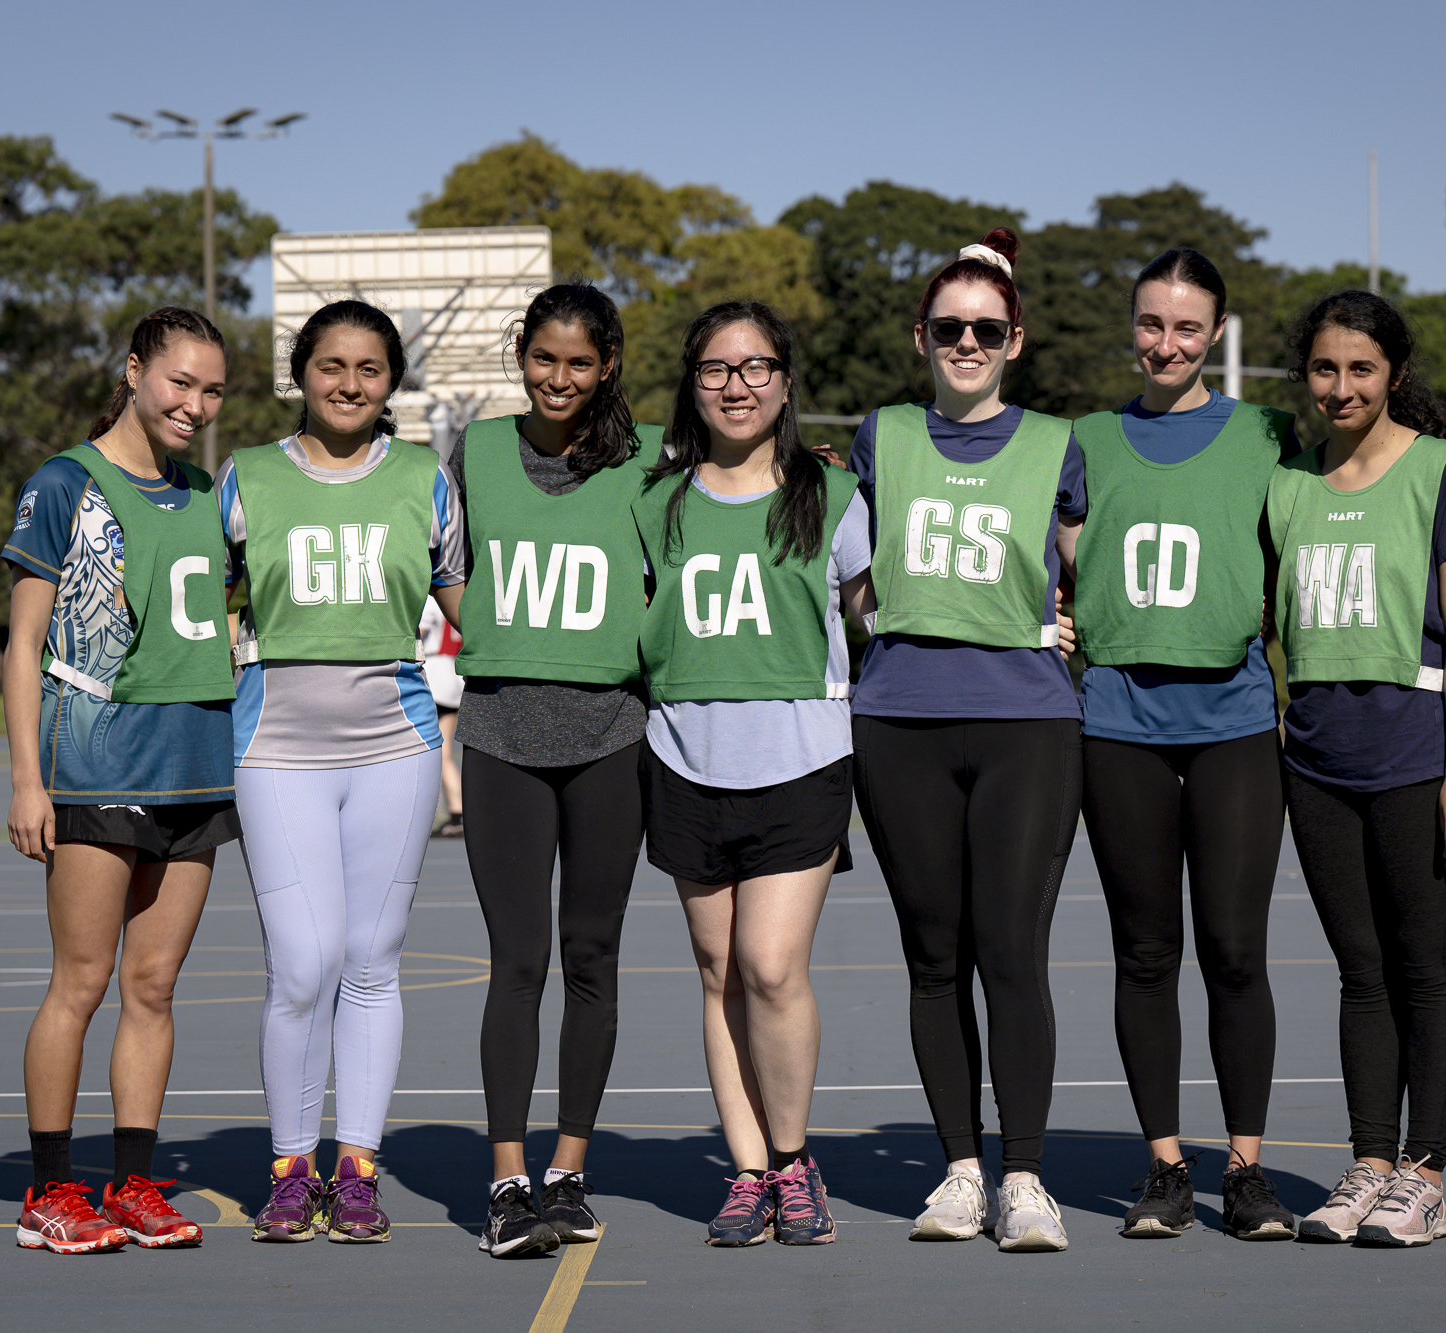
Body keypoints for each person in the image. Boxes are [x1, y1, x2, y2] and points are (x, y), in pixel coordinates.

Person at [850, 229, 1086, 1253]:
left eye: (985, 329)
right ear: (920, 336)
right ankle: (957, 1167)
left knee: (1012, 948)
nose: (965, 342)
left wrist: (1074, 615)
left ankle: (1024, 1174)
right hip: (897, 715)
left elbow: (1099, 567)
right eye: (947, 328)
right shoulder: (879, 434)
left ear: (1015, 339)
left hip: (1025, 721)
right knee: (932, 953)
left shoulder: (1057, 444)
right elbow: (839, 568)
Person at [1068, 249, 1299, 1241]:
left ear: (1215, 334)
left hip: (1234, 723)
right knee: (1144, 951)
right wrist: (1055, 611)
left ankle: (1242, 1169)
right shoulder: (1080, 439)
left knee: (1236, 951)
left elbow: (1323, 528)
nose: (1166, 343)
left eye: (1187, 328)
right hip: (1117, 725)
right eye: (1151, 324)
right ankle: (1164, 1165)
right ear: (1130, 327)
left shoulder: (1265, 432)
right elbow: (1016, 541)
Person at [222, 299, 464, 1244]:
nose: (350, 383)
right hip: (275, 742)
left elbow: (474, 608)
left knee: (371, 962)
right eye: (332, 365)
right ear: (302, 372)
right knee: (301, 965)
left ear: (391, 380)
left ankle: (356, 1166)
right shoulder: (242, 479)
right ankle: (290, 1167)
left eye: (369, 368)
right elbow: (188, 599)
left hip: (396, 742)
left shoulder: (422, 479)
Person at [1, 306, 240, 1253]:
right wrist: (28, 779)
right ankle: (49, 1191)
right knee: (83, 980)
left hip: (196, 768)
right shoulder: (68, 483)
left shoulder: (202, 489)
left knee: (154, 983)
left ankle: (135, 1179)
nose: (195, 402)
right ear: (134, 369)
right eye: (180, 381)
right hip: (97, 761)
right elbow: (23, 645)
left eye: (213, 388)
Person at [635, 301, 871, 1247]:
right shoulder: (655, 501)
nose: (738, 385)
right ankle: (746, 1171)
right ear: (692, 384)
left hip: (801, 759)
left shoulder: (835, 494)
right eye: (716, 369)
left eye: (756, 366)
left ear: (785, 379)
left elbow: (881, 612)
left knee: (772, 966)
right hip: (685, 756)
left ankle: (793, 1158)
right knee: (718, 969)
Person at [1269, 290, 1446, 1248]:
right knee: (1361, 973)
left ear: (1394, 374)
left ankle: (1426, 1174)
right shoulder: (1286, 483)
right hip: (1317, 763)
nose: (1341, 386)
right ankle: (1368, 1161)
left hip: (1414, 757)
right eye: (1325, 368)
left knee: (1427, 969)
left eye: (1361, 368)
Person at [451, 284, 660, 1259]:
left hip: (612, 732)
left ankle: (567, 1171)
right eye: (544, 358)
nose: (560, 377)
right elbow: (444, 569)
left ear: (607, 362)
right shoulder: (477, 449)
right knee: (516, 961)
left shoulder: (651, 457)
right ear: (520, 355)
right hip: (498, 733)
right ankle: (505, 1180)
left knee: (590, 957)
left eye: (579, 362)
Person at [419, 595, 467, 835]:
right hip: (454, 677)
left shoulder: (430, 599)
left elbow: (420, 632)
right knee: (445, 753)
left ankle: (423, 815)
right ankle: (457, 813)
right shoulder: (459, 598)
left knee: (425, 752)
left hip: (434, 676)